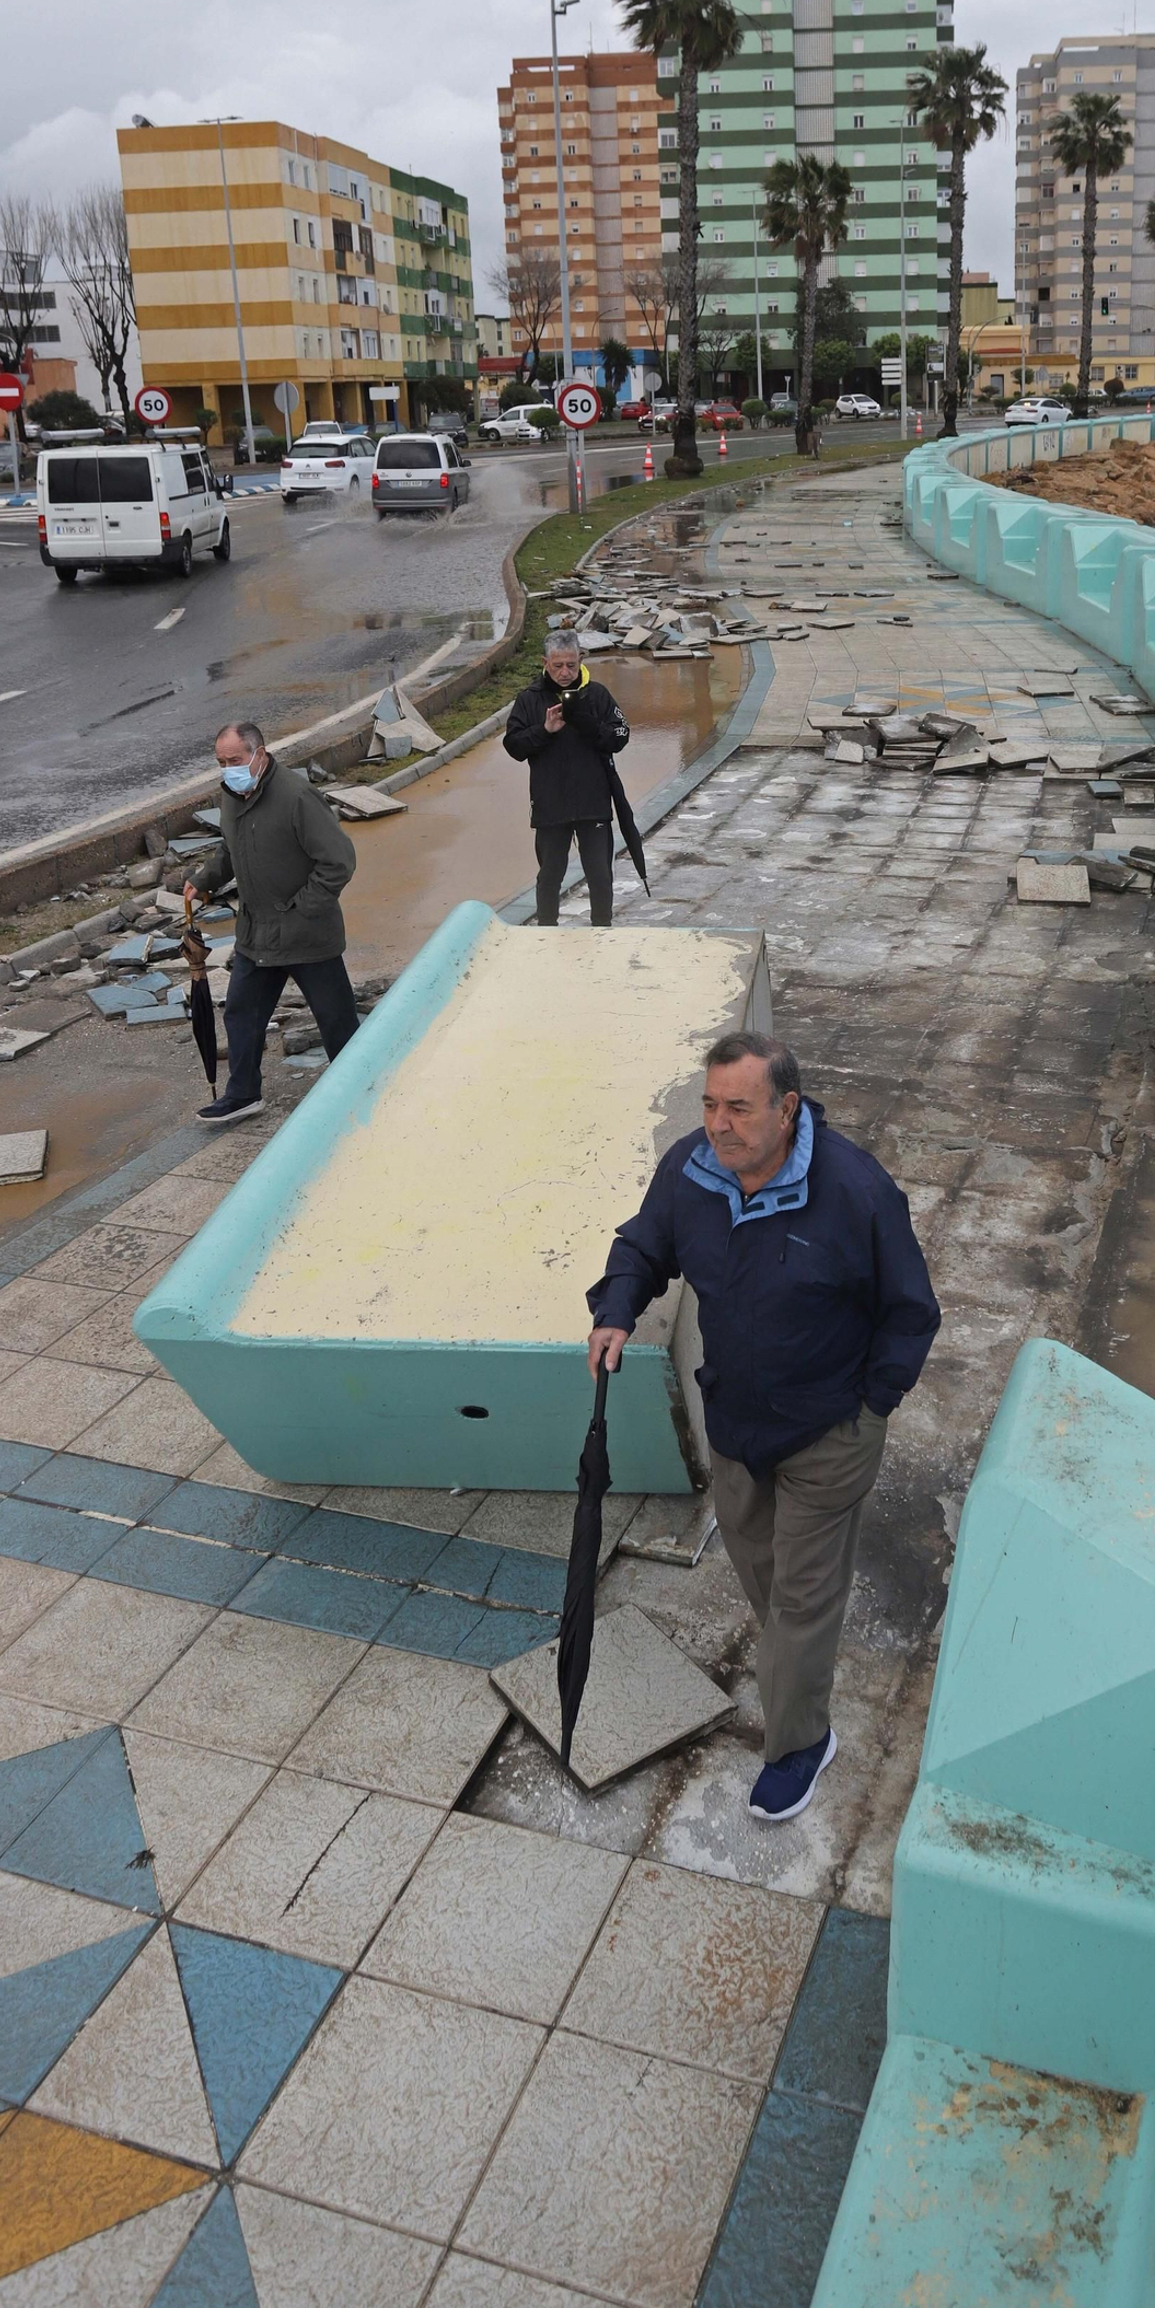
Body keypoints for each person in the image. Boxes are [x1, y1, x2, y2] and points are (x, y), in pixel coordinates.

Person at [587, 1032, 940, 1823]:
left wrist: (872, 1407)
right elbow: (645, 1244)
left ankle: (798, 1744)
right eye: (710, 1104)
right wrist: (616, 1311)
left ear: (786, 1108)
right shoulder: (690, 1170)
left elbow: (911, 1310)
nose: (719, 1124)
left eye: (738, 1107)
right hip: (738, 1424)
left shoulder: (855, 1190)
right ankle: (795, 1677)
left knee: (804, 1601)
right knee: (768, 1584)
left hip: (828, 1432)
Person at [184, 721, 359, 1126]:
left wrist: (299, 909)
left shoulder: (297, 797)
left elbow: (338, 862)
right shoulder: (232, 796)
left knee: (336, 1020)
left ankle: (359, 1084)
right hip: (256, 935)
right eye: (221, 762)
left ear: (259, 754)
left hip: (307, 935)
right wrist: (203, 879)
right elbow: (231, 849)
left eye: (236, 760)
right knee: (242, 1014)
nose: (229, 768)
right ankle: (243, 1094)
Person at [504, 630, 629, 926]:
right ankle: (546, 932)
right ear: (545, 662)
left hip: (593, 803)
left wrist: (588, 723)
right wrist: (544, 731)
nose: (565, 672)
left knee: (600, 876)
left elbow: (620, 737)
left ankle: (602, 930)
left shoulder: (597, 695)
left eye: (571, 665)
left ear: (581, 660)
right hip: (551, 805)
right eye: (557, 665)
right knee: (549, 876)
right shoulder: (529, 699)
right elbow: (514, 746)